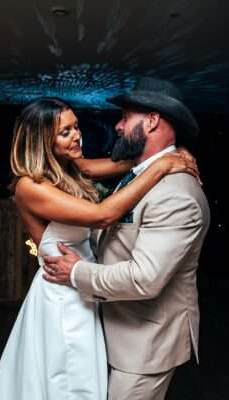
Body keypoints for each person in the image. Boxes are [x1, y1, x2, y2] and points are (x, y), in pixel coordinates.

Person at [0, 96, 199, 400]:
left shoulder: (69, 168)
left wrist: (163, 155)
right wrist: (163, 166)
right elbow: (104, 216)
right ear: (41, 141)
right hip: (62, 295)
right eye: (65, 132)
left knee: (84, 377)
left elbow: (118, 164)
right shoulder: (29, 186)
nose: (77, 135)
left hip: (83, 287)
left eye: (76, 127)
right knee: (69, 382)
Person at [43, 77, 210, 400]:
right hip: (120, 330)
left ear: (152, 121)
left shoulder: (177, 194)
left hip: (145, 345)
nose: (117, 126)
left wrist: (76, 272)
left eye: (125, 117)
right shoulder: (140, 173)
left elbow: (145, 278)